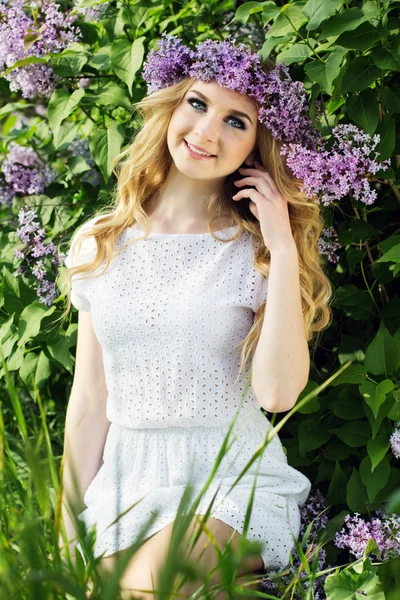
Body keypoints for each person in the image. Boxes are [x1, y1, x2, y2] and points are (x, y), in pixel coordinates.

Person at [58, 34, 333, 599]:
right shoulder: (98, 243)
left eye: (238, 122)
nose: (208, 132)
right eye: (199, 104)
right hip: (127, 480)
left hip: (230, 480)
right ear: (172, 104)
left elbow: (279, 394)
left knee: (145, 589)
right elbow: (89, 402)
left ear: (256, 148)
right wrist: (66, 532)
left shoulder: (256, 252)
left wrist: (283, 249)